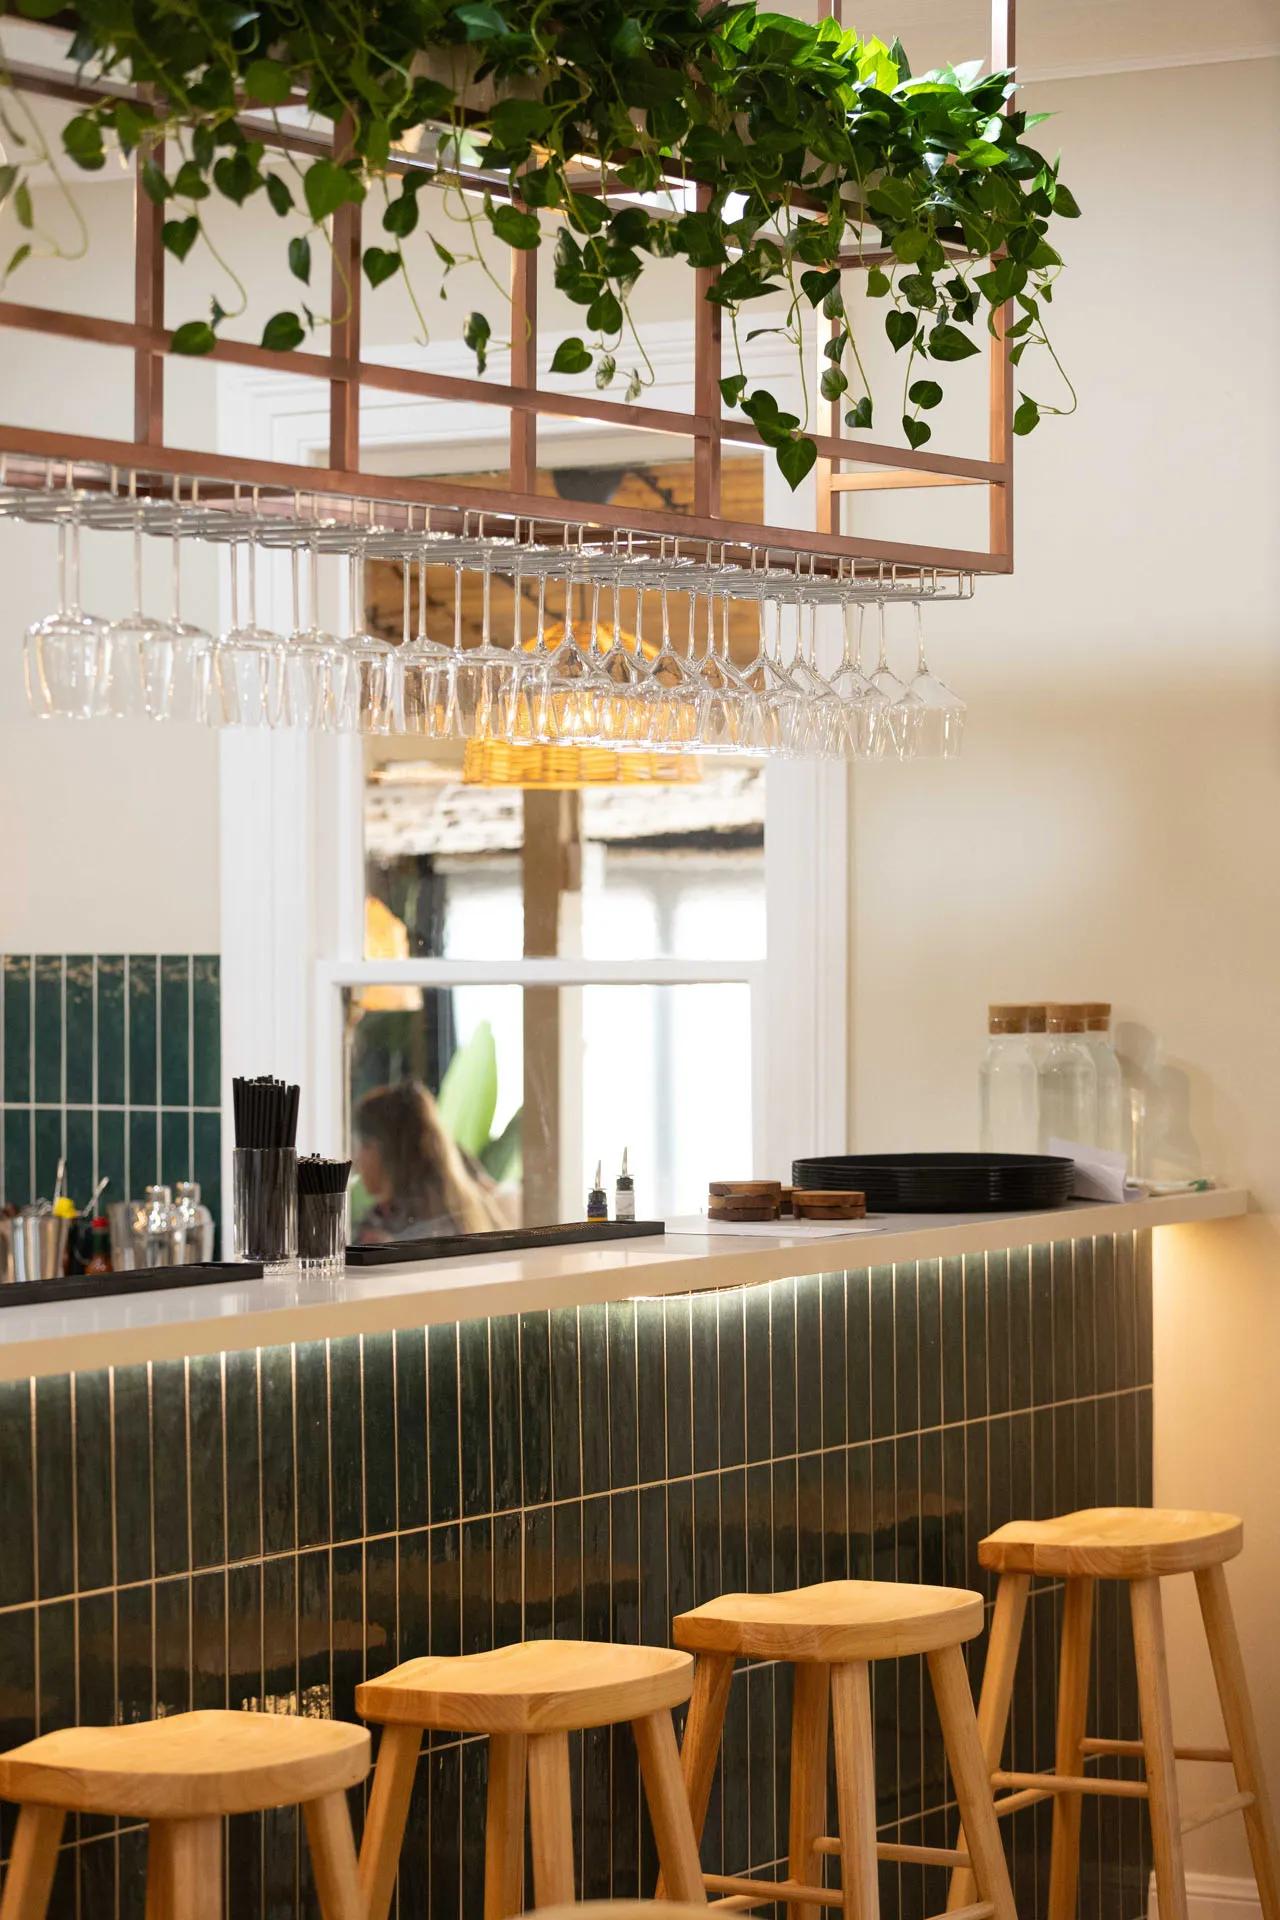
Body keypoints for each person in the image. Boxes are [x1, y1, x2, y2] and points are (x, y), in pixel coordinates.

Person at [352, 1079, 506, 1242]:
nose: (356, 1159)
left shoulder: (387, 1236)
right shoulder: (460, 1213)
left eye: (364, 1145)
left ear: (387, 1151)